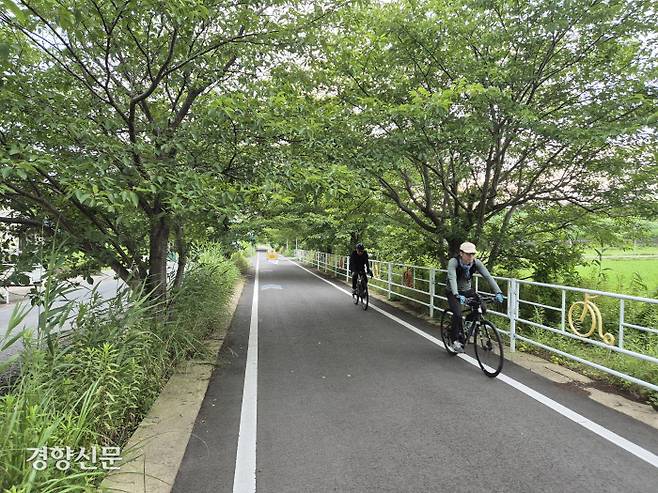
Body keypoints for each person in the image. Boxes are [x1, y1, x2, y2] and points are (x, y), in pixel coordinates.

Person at [445, 241, 504, 353]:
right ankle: (454, 340)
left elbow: (488, 276)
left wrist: (498, 292)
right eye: (468, 254)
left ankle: (467, 325)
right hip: (453, 291)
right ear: (461, 253)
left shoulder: (476, 263)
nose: (471, 256)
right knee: (457, 314)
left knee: (482, 308)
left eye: (473, 254)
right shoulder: (453, 262)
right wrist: (456, 294)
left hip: (468, 290)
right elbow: (452, 277)